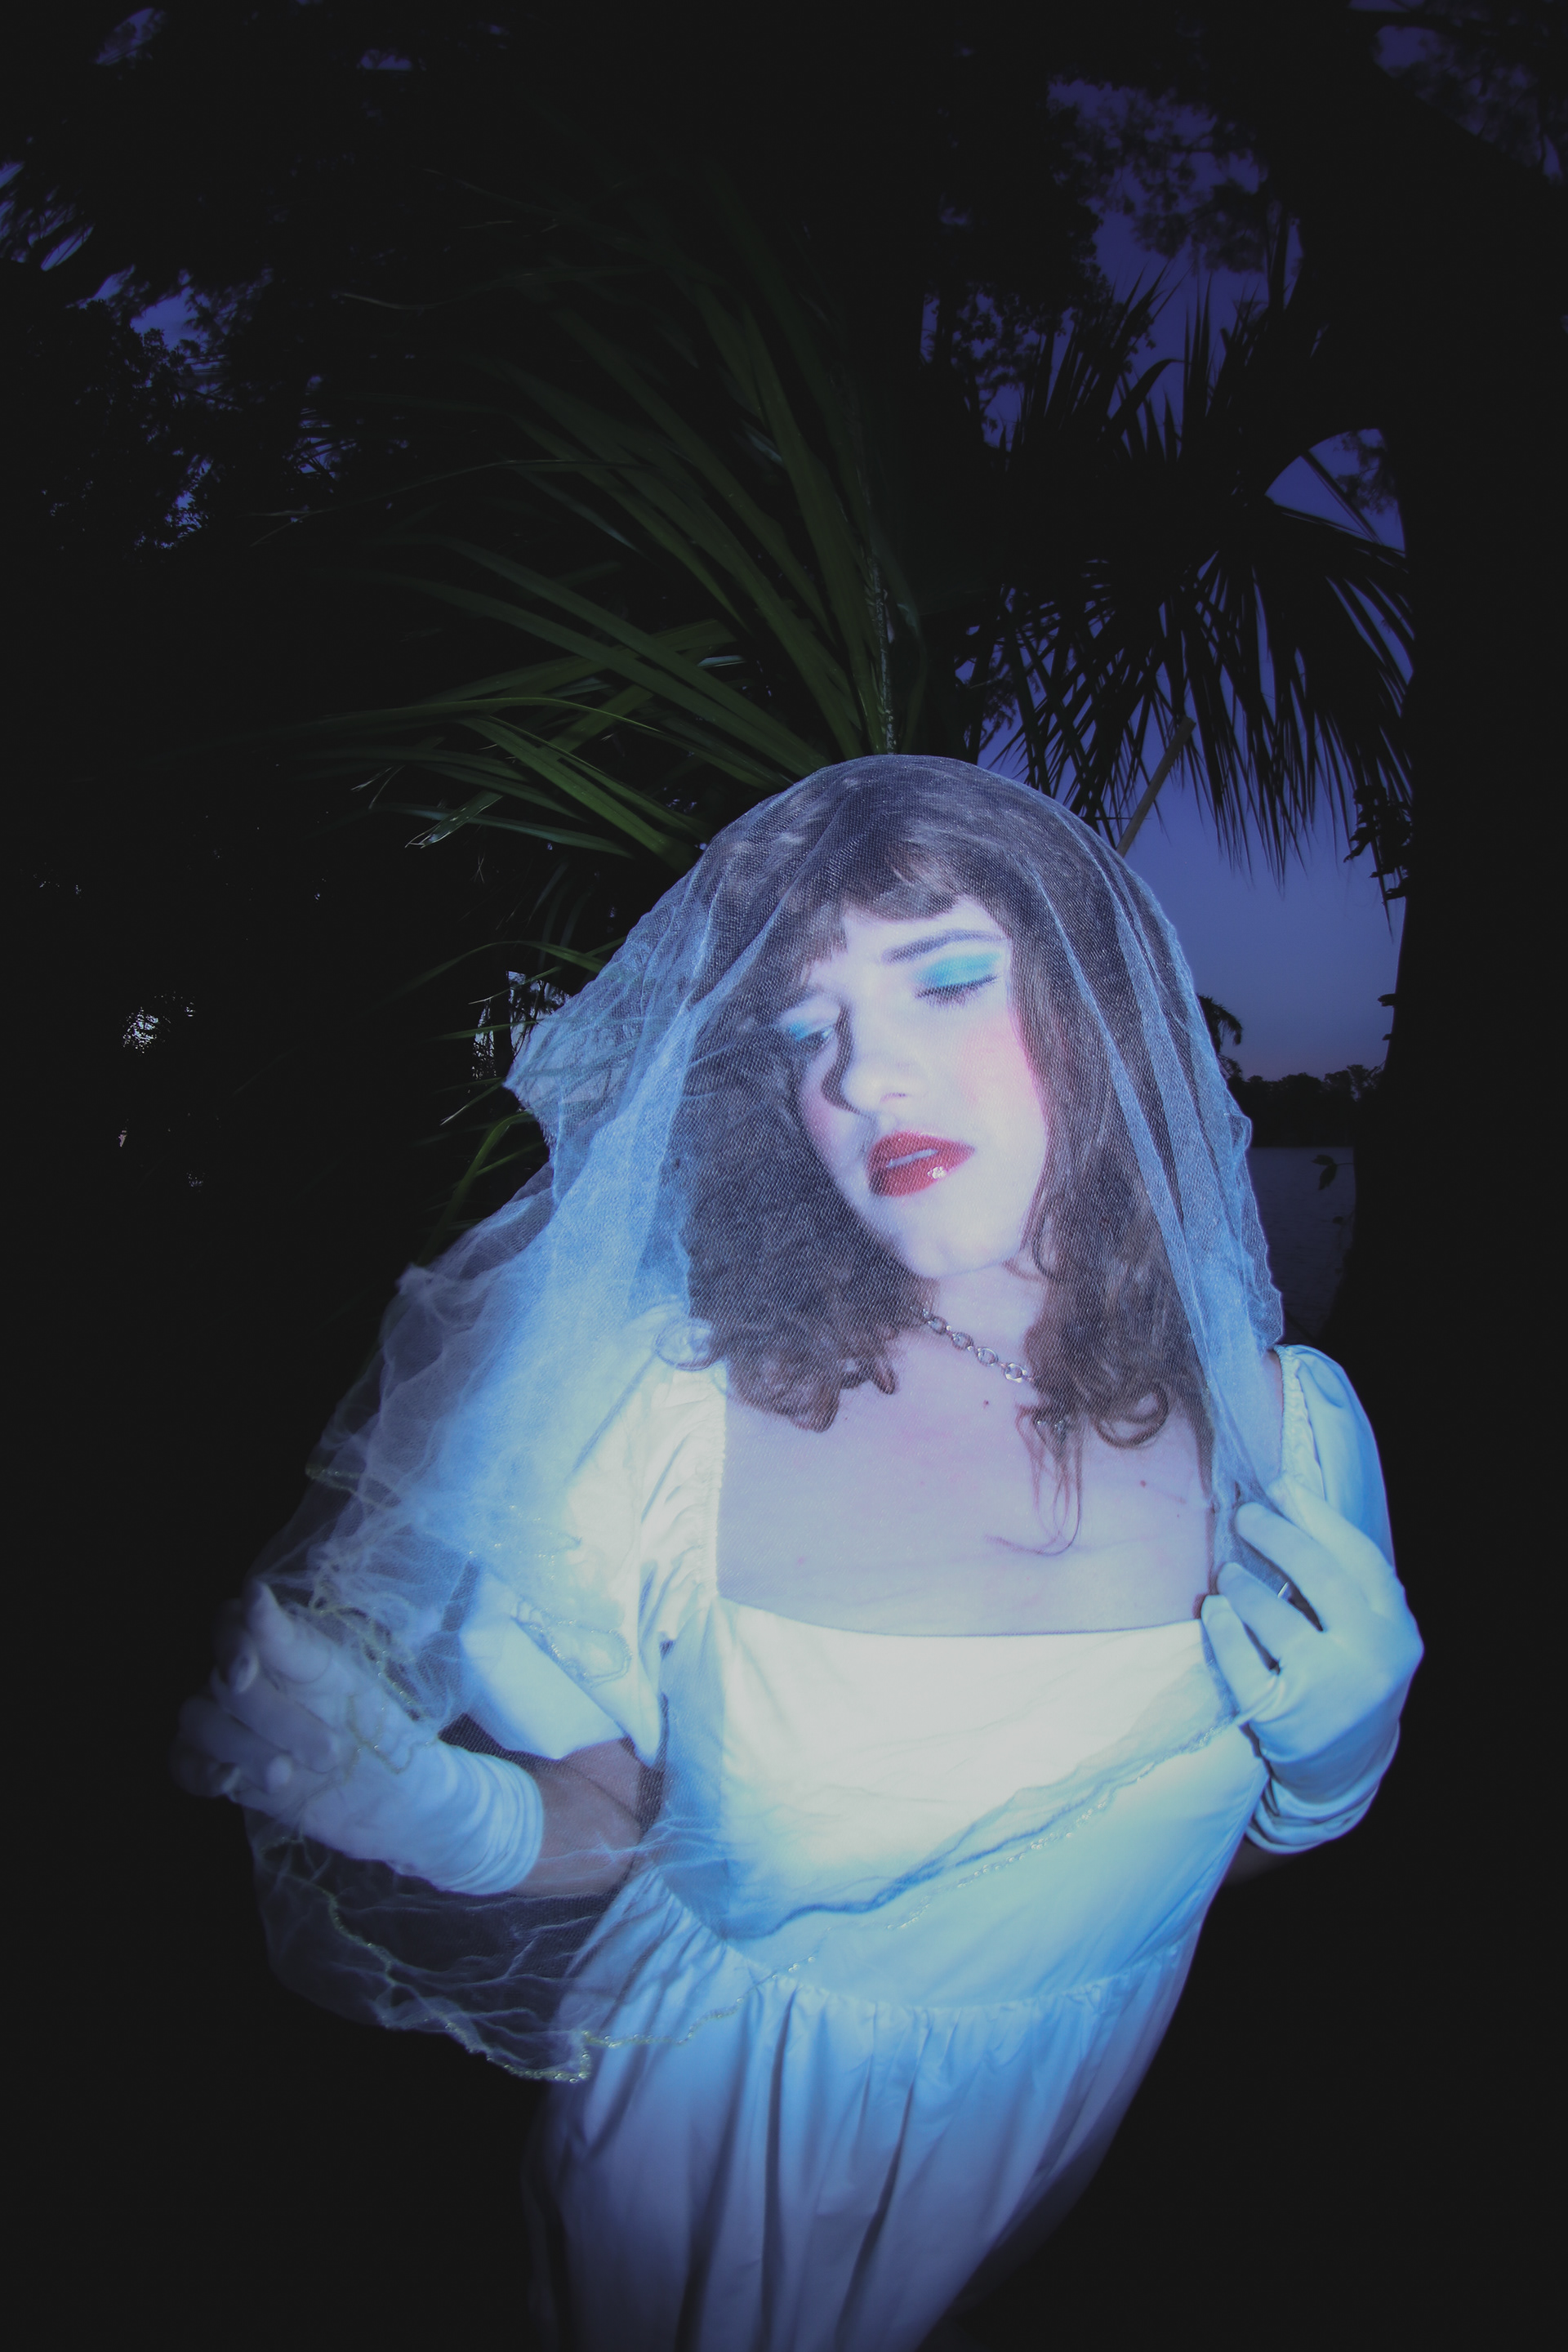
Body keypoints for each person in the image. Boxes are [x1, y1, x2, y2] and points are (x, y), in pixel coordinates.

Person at [173, 757, 1421, 2351]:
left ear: (1102, 1010)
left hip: (1041, 2185)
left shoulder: (1290, 1440)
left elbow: (1163, 1865)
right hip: (704, 2197)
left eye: (947, 979)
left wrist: (1330, 1782)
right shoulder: (667, 1425)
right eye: (803, 1028)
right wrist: (421, 1805)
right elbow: (622, 1816)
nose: (864, 1076)